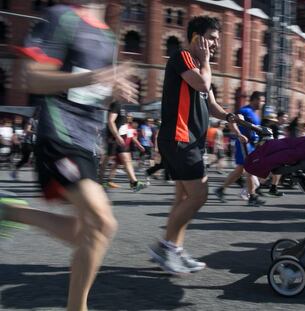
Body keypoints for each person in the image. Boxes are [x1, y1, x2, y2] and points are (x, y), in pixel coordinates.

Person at [0, 1, 138, 310]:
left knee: (85, 231)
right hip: (59, 133)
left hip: (89, 141)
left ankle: (10, 212)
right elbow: (34, 79)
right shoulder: (60, 17)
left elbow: (92, 92)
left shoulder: (108, 35)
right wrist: (94, 78)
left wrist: (113, 92)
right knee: (102, 223)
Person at [149, 16, 240, 274]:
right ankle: (165, 248)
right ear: (196, 37)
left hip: (189, 141)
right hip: (180, 138)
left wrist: (230, 116)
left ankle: (173, 251)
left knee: (183, 198)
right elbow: (203, 83)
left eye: (217, 40)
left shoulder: (198, 65)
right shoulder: (183, 57)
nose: (215, 44)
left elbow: (211, 104)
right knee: (199, 195)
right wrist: (207, 63)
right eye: (211, 38)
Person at [215, 91, 266, 206]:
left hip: (251, 145)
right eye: (261, 100)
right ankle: (252, 196)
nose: (263, 103)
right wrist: (238, 134)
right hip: (244, 144)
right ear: (255, 99)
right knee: (250, 169)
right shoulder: (245, 111)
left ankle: (221, 190)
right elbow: (231, 122)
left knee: (240, 171)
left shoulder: (254, 114)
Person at [99, 102, 144, 190]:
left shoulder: (124, 107)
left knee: (127, 159)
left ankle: (134, 182)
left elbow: (125, 125)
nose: (129, 94)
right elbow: (111, 121)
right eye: (128, 92)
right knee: (107, 160)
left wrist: (135, 142)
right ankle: (100, 182)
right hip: (114, 137)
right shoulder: (116, 104)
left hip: (122, 137)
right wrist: (117, 136)